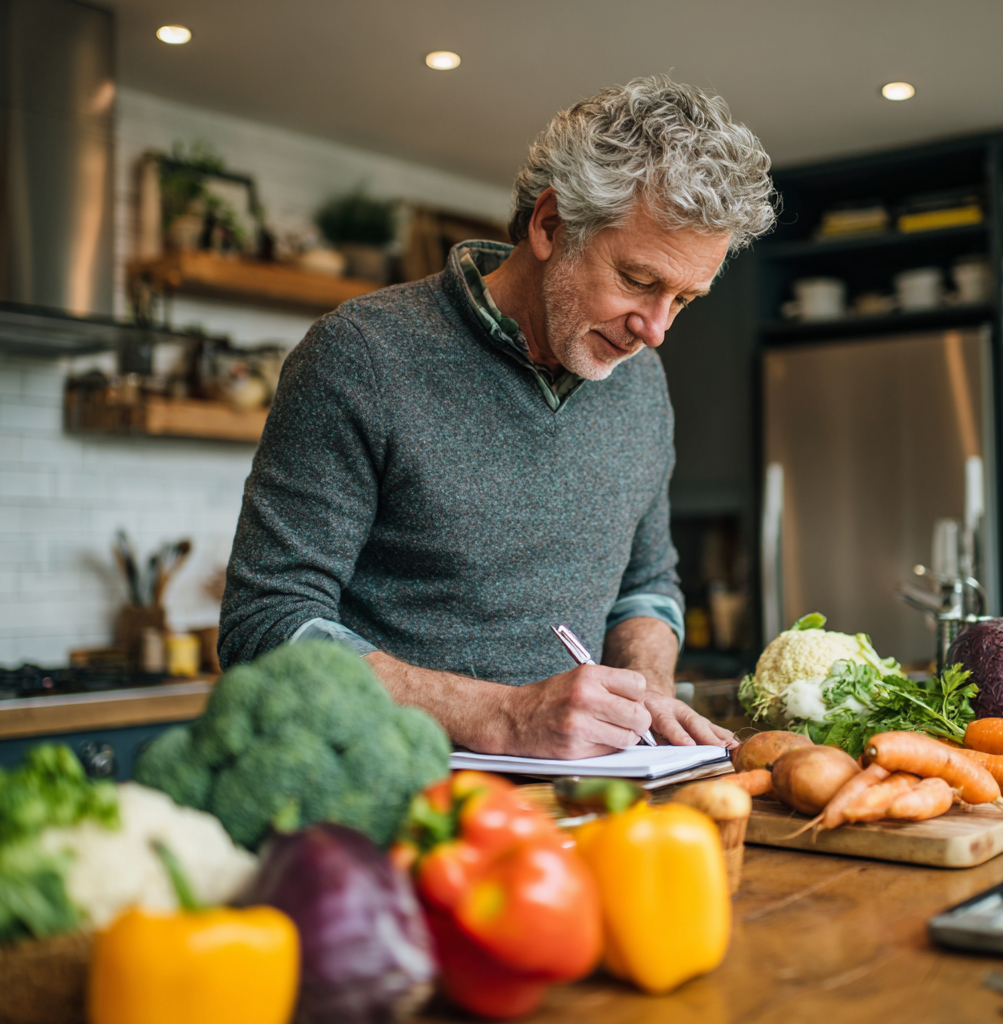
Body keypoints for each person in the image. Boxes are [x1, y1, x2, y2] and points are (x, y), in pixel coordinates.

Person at [219, 75, 775, 758]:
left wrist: (647, 685)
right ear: (549, 226)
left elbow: (647, 585)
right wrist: (506, 715)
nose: (656, 330)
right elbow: (264, 627)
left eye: (685, 299)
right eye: (638, 281)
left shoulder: (641, 383)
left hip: (583, 807)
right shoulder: (360, 355)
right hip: (384, 807)